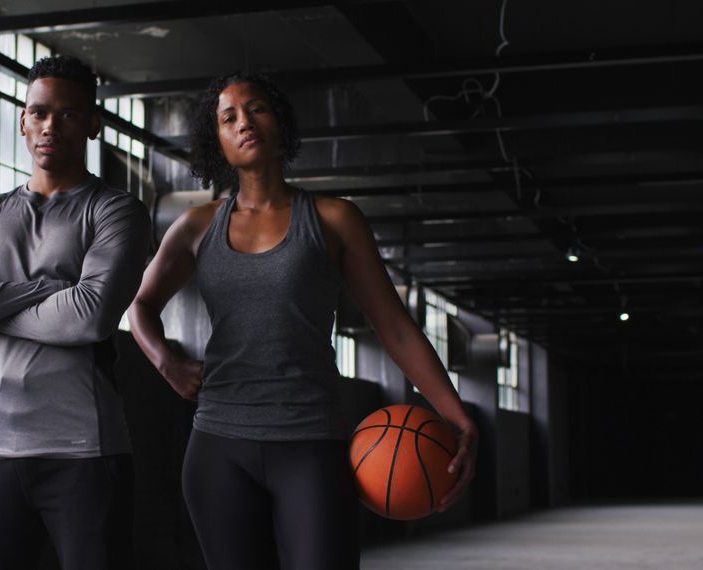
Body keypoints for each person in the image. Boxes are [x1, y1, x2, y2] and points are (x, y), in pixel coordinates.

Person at [128, 72, 478, 570]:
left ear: (281, 124)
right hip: (218, 446)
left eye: (257, 109)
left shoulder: (336, 219)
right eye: (228, 118)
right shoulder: (196, 226)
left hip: (311, 442)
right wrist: (167, 362)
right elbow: (140, 305)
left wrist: (457, 415)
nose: (244, 122)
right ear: (218, 143)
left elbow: (394, 327)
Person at [0, 55, 150, 570]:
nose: (50, 126)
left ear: (92, 123)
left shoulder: (116, 210)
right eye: (39, 113)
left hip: (85, 450)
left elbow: (90, 316)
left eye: (68, 114)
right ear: (23, 121)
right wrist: (50, 290)